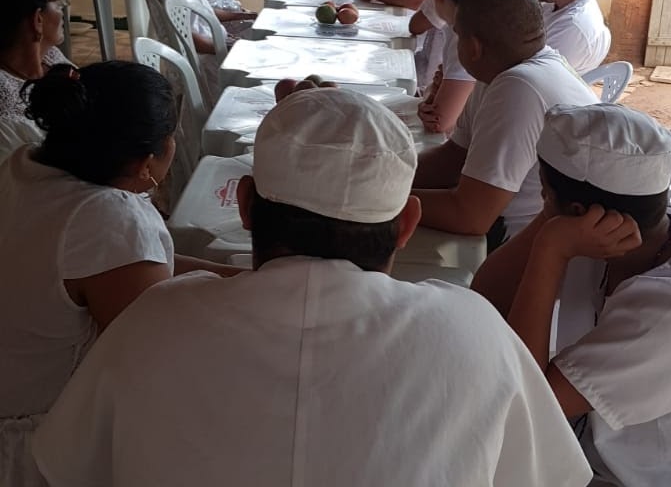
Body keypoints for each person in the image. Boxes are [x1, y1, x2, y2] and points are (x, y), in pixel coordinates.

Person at [33, 88, 593, 487]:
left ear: (245, 206)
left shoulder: (152, 321)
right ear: (407, 225)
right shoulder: (473, 334)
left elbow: (66, 465)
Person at [0, 60, 241, 486]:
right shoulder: (105, 217)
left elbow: (132, 266)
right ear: (146, 161)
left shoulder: (27, 167)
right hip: (42, 448)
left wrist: (243, 279)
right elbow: (157, 352)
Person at [472, 103, 671, 486]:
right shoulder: (631, 232)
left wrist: (551, 250)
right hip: (595, 443)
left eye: (544, 192)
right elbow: (486, 297)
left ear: (576, 209)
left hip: (656, 475)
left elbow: (529, 406)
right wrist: (550, 222)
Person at [412, 0, 598, 249]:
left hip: (525, 248)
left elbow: (470, 215)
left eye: (458, 36)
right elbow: (453, 158)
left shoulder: (520, 87)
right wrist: (385, 177)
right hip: (505, 232)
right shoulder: (505, 71)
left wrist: (376, 199)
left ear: (474, 48)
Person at [0, 0, 70, 162]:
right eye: (56, 1)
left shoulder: (50, 56)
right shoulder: (8, 103)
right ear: (37, 20)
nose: (62, 10)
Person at [417, 0, 489, 135]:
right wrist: (433, 94)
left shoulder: (467, 34)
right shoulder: (460, 26)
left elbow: (440, 122)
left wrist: (430, 103)